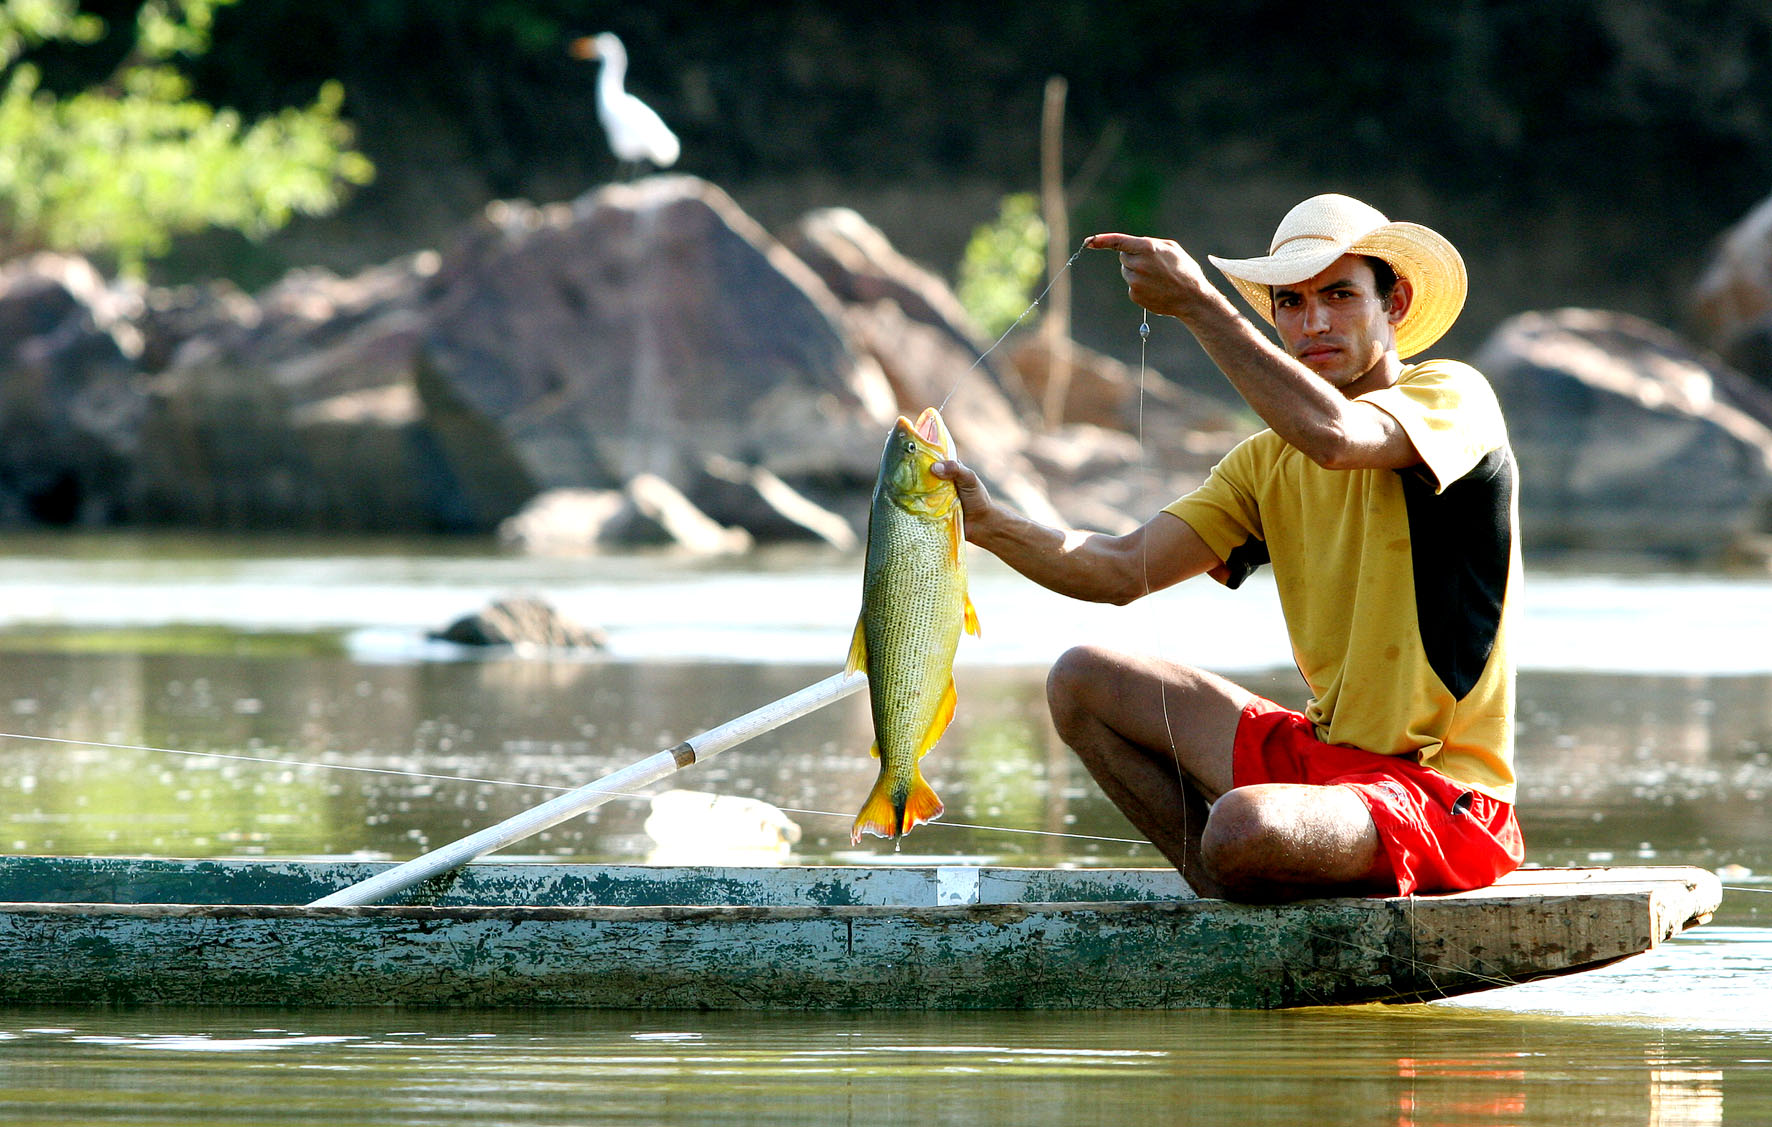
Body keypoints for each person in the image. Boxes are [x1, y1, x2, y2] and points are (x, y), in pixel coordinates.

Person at [935, 193, 1523, 902]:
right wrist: (989, 523)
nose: (1313, 323)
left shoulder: (1453, 396)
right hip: (1326, 768)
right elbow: (1121, 568)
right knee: (1082, 679)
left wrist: (1200, 307)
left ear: (1392, 303)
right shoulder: (1264, 461)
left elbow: (1337, 438)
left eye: (1339, 295)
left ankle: (1240, 869)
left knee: (1242, 826)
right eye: (1290, 302)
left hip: (1446, 803)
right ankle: (1224, 900)